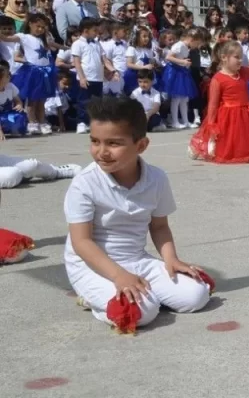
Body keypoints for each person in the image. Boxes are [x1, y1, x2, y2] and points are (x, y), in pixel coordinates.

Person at [64, 97, 212, 335]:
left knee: (196, 294)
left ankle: (140, 292)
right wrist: (118, 276)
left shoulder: (156, 179)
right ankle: (93, 299)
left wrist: (171, 259)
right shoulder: (85, 184)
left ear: (141, 145)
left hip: (135, 259)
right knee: (142, 312)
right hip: (92, 265)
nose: (102, 152)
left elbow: (160, 226)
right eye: (94, 141)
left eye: (113, 143)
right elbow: (82, 243)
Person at [3, 14, 58, 135]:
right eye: (38, 26)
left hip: (45, 72)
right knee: (32, 100)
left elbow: (53, 48)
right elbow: (7, 38)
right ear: (30, 24)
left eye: (43, 27)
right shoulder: (24, 37)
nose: (40, 29)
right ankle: (32, 122)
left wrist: (63, 45)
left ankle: (42, 121)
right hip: (32, 72)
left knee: (41, 100)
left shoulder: (43, 39)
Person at [161, 28, 201, 130]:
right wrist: (182, 62)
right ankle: (175, 121)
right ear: (192, 39)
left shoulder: (185, 47)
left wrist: (184, 62)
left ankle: (186, 121)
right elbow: (168, 57)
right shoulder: (179, 45)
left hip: (182, 72)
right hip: (175, 73)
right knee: (177, 98)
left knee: (184, 98)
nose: (196, 47)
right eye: (197, 44)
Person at [100, 23, 129, 96]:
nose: (126, 32)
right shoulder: (108, 45)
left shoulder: (125, 43)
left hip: (127, 73)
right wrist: (113, 73)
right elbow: (108, 61)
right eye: (123, 31)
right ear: (115, 32)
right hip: (117, 75)